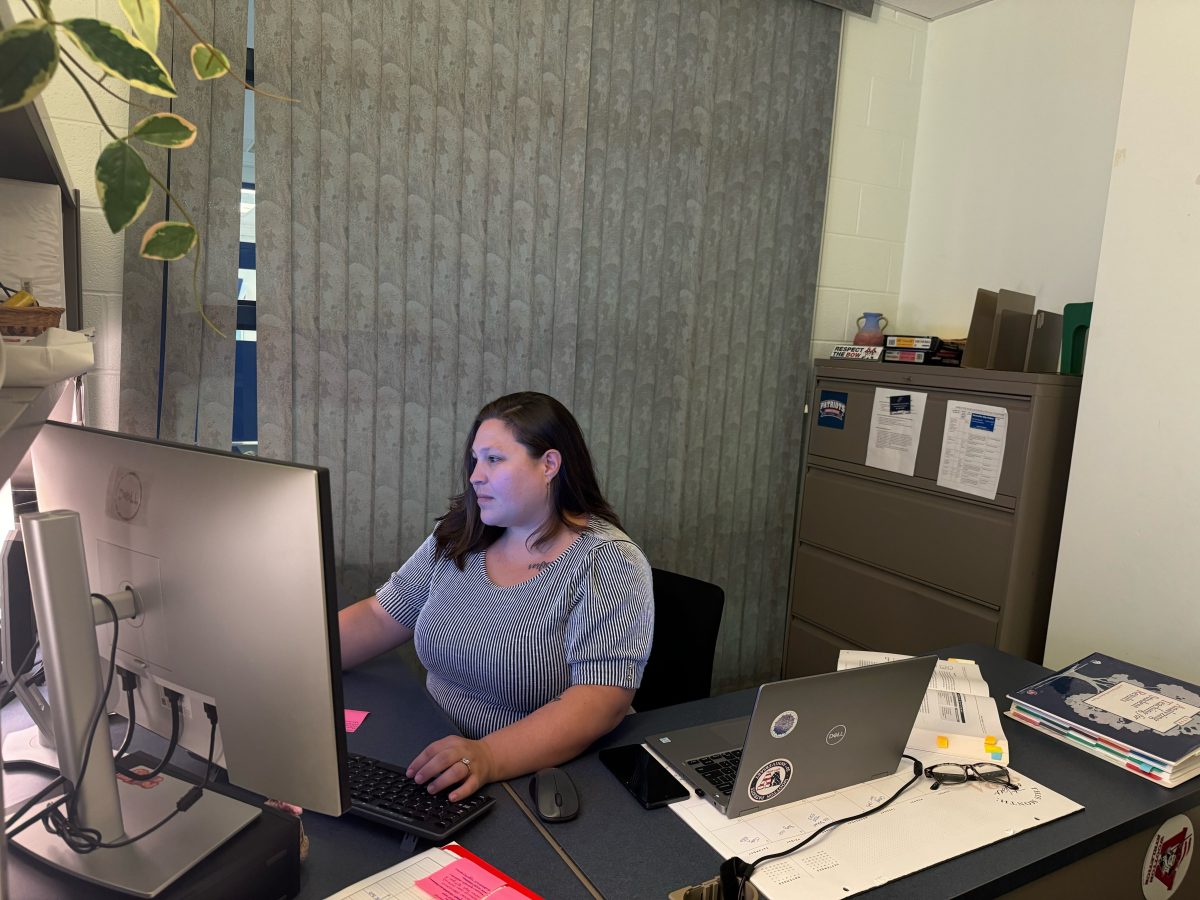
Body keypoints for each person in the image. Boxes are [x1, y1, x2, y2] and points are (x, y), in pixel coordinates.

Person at [339, 392, 654, 802]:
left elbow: (599, 702)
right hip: (442, 755)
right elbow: (381, 617)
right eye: (475, 459)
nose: (474, 475)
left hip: (542, 778)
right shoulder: (461, 534)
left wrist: (487, 756)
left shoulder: (607, 562)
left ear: (549, 465)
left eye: (494, 459)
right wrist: (290, 664)